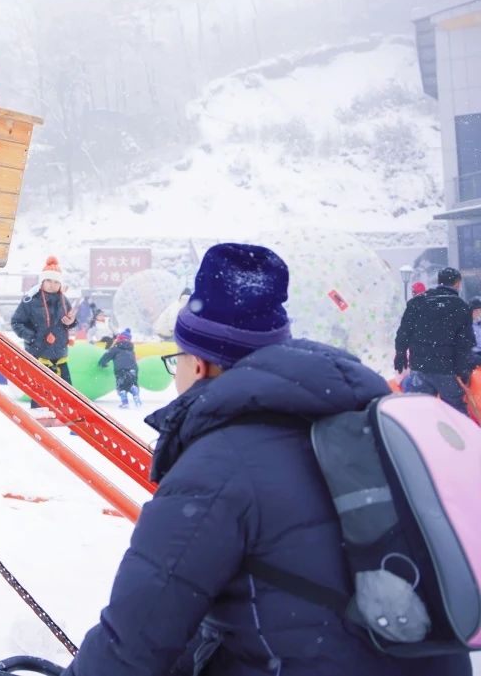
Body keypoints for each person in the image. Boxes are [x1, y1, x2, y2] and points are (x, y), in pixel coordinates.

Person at [64, 243, 468, 676]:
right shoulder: (366, 422)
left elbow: (131, 644)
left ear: (198, 365)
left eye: (175, 357)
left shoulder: (217, 468)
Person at [393, 266, 475, 415]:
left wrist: (400, 352)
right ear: (457, 283)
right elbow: (464, 344)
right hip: (447, 370)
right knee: (455, 413)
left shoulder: (417, 303)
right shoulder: (461, 307)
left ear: (439, 281)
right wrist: (463, 370)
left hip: (420, 367)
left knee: (421, 412)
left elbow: (404, 331)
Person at [10, 257, 77, 403]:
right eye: (49, 281)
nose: (52, 285)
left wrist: (71, 322)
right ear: (42, 281)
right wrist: (32, 337)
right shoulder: (30, 300)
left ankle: (69, 417)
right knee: (40, 398)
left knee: (68, 398)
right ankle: (39, 416)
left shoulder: (64, 300)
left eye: (56, 282)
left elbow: (69, 322)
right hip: (39, 355)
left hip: (60, 356)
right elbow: (16, 322)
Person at [98, 328, 141, 408]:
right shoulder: (131, 350)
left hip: (121, 370)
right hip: (133, 369)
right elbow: (134, 361)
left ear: (119, 339)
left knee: (121, 386)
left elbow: (107, 356)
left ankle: (125, 403)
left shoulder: (115, 348)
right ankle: (134, 391)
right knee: (132, 383)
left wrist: (102, 363)